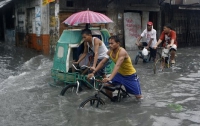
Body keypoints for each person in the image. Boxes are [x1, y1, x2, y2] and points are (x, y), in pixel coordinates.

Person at [88, 35, 142, 100]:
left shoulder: (122, 52)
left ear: (118, 43)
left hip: (130, 76)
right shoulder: (110, 52)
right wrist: (93, 72)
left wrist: (109, 78)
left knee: (138, 97)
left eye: (112, 43)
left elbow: (117, 66)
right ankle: (111, 99)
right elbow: (102, 62)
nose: (110, 45)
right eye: (109, 43)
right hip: (119, 75)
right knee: (105, 85)